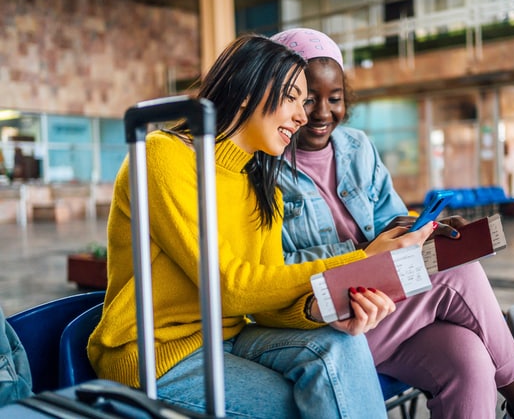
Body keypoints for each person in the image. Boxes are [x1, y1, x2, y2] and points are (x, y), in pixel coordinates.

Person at [87, 33, 434, 419]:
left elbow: (264, 302)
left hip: (230, 338)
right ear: (248, 90)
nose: (303, 116)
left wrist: (321, 310)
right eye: (292, 98)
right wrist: (359, 260)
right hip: (156, 356)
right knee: (316, 404)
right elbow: (228, 287)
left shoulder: (261, 187)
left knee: (343, 346)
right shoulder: (163, 156)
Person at [272, 28, 514, 419]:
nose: (321, 113)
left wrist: (422, 229)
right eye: (306, 99)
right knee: (453, 270)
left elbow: (391, 219)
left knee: (468, 358)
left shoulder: (357, 147)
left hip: (385, 307)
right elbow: (275, 267)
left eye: (334, 99)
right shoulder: (265, 164)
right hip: (327, 320)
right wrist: (363, 251)